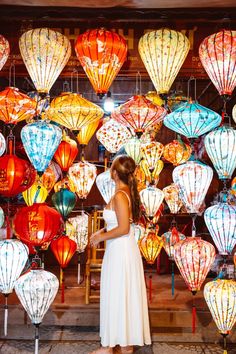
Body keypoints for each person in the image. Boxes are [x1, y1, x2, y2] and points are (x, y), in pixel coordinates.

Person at [90, 155, 151, 354]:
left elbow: (124, 228)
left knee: (120, 293)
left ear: (115, 173)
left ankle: (121, 345)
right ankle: (116, 344)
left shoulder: (120, 195)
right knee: (119, 294)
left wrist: (101, 237)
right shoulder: (124, 193)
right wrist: (102, 232)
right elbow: (119, 224)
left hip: (121, 250)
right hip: (119, 249)